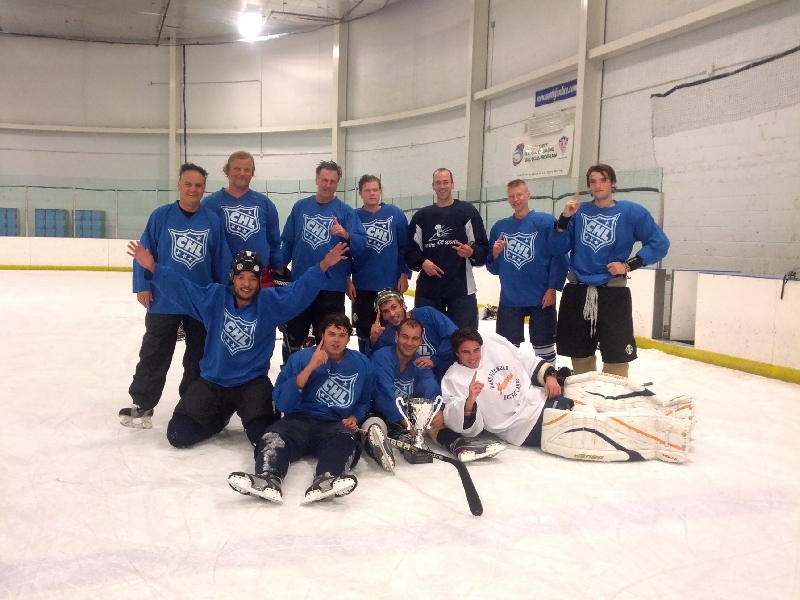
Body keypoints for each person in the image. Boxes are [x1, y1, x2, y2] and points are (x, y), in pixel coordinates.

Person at [126, 240, 350, 449]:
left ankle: (245, 414)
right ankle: (218, 418)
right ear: (232, 278)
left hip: (251, 383)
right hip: (213, 381)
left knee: (263, 438)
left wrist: (323, 265)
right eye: (241, 277)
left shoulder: (269, 302)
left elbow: (298, 291)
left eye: (252, 278)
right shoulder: (215, 297)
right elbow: (183, 289)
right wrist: (153, 268)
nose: (246, 284)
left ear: (259, 281)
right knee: (178, 435)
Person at [441, 329, 692, 463]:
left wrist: (550, 375)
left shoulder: (492, 342)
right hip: (525, 426)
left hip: (542, 397)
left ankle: (664, 408)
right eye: (466, 353)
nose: (473, 356)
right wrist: (470, 401)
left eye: (476, 350)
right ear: (456, 354)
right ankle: (664, 437)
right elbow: (461, 423)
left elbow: (525, 359)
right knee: (593, 425)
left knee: (590, 390)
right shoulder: (454, 379)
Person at [121, 163, 231, 429]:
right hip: (164, 298)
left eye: (198, 185)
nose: (193, 189)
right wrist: (143, 284)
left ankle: (191, 404)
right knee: (154, 352)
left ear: (204, 189)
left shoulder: (212, 220)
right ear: (179, 185)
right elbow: (144, 252)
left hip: (200, 299)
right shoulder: (161, 216)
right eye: (188, 184)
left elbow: (221, 259)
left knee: (198, 356)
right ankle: (143, 402)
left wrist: (222, 294)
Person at [228, 314, 374, 504]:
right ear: (322, 335)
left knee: (346, 440)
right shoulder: (300, 359)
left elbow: (364, 400)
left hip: (333, 424)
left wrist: (354, 417)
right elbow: (282, 402)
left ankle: (327, 479)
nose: (336, 340)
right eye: (331, 334)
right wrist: (311, 367)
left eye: (342, 335)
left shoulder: (362, 364)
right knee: (273, 437)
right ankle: (268, 478)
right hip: (297, 420)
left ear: (348, 338)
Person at [549, 164, 670, 377]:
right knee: (579, 352)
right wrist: (564, 218)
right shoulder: (578, 212)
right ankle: (585, 392)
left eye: (603, 180)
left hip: (613, 293)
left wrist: (629, 265)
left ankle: (615, 393)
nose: (598, 185)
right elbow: (557, 248)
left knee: (617, 355)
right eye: (593, 181)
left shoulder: (632, 212)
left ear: (613, 183)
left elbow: (659, 243)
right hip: (578, 291)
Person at [364, 318, 503, 473]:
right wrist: (409, 424)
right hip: (378, 411)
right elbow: (385, 396)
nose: (409, 343)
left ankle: (457, 444)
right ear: (396, 336)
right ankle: (379, 448)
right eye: (405, 337)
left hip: (404, 416)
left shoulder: (419, 362)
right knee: (375, 424)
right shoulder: (382, 357)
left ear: (421, 341)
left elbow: (431, 388)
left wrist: (438, 410)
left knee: (431, 421)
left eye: (415, 338)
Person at [280, 160, 367, 360]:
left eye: (333, 181)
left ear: (338, 183)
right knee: (293, 335)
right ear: (317, 180)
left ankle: (326, 375)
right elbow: (288, 241)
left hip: (331, 287)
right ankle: (291, 373)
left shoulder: (345, 212)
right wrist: (278, 266)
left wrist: (346, 234)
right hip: (301, 284)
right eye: (324, 180)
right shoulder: (300, 207)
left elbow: (361, 245)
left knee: (328, 339)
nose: (328, 185)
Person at [486, 179, 569, 362]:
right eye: (511, 196)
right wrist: (495, 254)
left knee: (544, 349)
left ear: (528, 195)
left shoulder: (546, 222)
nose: (516, 199)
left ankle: (547, 378)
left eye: (519, 195)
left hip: (541, 297)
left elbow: (559, 256)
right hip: (510, 297)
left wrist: (552, 288)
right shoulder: (500, 227)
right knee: (506, 351)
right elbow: (493, 268)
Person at [405, 168, 488, 330]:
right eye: (438, 183)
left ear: (452, 184)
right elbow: (409, 250)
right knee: (428, 339)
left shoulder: (467, 212)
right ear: (433, 186)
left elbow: (483, 247)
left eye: (445, 182)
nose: (442, 186)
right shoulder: (422, 217)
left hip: (462, 291)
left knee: (465, 339)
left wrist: (471, 252)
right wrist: (422, 262)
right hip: (429, 292)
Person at [347, 175, 412, 352]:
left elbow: (405, 247)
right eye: (367, 190)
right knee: (364, 331)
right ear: (360, 193)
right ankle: (365, 362)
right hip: (362, 285)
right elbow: (345, 251)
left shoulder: (395, 214)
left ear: (381, 191)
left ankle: (391, 363)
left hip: (390, 284)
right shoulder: (353, 217)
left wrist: (404, 273)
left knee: (391, 330)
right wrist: (347, 279)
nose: (372, 193)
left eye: (375, 190)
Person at [202, 150, 283, 288]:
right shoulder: (210, 204)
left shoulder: (265, 204)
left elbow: (273, 240)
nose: (242, 173)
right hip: (224, 279)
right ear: (228, 171)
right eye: (237, 169)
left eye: (247, 169)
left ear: (252, 172)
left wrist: (277, 264)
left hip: (259, 277)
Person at [367, 287, 458, 381]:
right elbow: (377, 364)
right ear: (383, 316)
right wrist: (373, 340)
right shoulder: (385, 334)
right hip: (418, 382)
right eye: (386, 311)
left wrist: (435, 360)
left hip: (447, 373)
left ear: (403, 305)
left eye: (394, 307)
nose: (392, 314)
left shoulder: (427, 314)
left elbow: (455, 337)